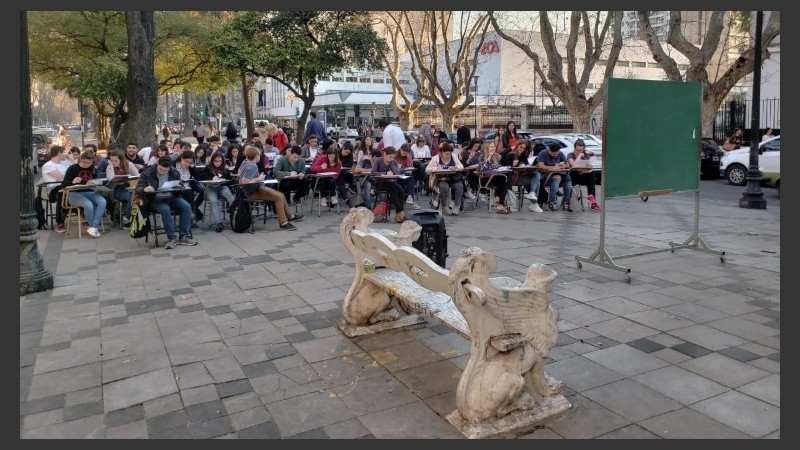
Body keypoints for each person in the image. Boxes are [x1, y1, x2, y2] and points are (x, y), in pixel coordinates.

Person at [238, 144, 304, 231]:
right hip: (252, 192)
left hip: (254, 189)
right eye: (259, 154)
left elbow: (239, 173)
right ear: (256, 156)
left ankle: (289, 216)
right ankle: (283, 223)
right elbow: (244, 181)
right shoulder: (252, 166)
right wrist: (259, 178)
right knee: (279, 197)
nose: (260, 156)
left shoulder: (245, 162)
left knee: (281, 195)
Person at [136, 156, 197, 248]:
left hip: (171, 196)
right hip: (155, 199)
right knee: (165, 209)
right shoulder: (147, 173)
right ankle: (172, 238)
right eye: (161, 169)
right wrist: (145, 189)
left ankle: (184, 236)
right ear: (157, 164)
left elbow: (179, 186)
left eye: (166, 170)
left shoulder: (174, 172)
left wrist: (180, 187)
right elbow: (138, 188)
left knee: (186, 206)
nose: (162, 172)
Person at [60, 151, 107, 238]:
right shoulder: (72, 168)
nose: (86, 165)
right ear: (81, 159)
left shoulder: (93, 169)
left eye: (89, 163)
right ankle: (94, 227)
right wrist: (72, 182)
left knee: (102, 201)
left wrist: (94, 183)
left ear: (92, 161)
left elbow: (96, 181)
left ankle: (93, 227)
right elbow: (63, 184)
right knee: (88, 204)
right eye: (84, 162)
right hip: (74, 193)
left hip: (90, 192)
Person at [200, 153, 235, 232]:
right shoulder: (208, 168)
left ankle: (235, 216)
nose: (218, 163)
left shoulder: (224, 168)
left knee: (229, 195)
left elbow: (230, 180)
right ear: (212, 161)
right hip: (211, 187)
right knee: (214, 201)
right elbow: (203, 178)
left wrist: (226, 175)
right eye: (216, 161)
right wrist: (212, 178)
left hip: (222, 186)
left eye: (220, 161)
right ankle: (219, 222)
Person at [426, 142, 465, 215]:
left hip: (453, 178)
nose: (449, 156)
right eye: (447, 154)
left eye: (450, 154)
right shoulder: (435, 158)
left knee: (459, 186)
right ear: (441, 152)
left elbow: (461, 166)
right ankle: (444, 207)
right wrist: (436, 168)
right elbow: (427, 170)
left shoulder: (454, 157)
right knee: (444, 187)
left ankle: (457, 206)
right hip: (441, 178)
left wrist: (456, 167)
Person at [370, 146, 406, 223]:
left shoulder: (393, 162)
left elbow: (397, 173)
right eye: (390, 157)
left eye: (393, 157)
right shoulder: (378, 161)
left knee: (401, 190)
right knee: (393, 187)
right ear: (384, 154)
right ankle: (400, 212)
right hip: (381, 183)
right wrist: (385, 173)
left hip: (391, 182)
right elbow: (373, 172)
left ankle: (399, 213)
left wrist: (392, 165)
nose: (391, 159)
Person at [106, 148, 140, 226]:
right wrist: (111, 166)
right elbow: (110, 178)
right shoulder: (110, 167)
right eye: (111, 161)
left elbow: (137, 176)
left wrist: (130, 177)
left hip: (130, 186)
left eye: (115, 161)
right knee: (130, 197)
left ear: (121, 160)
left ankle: (130, 217)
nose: (113, 163)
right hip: (117, 188)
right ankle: (127, 218)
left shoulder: (129, 164)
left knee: (136, 196)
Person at [40, 146, 70, 233]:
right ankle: (59, 222)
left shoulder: (64, 163)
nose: (65, 154)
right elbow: (62, 177)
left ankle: (82, 214)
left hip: (66, 186)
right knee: (62, 194)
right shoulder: (48, 165)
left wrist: (71, 160)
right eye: (64, 153)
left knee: (74, 192)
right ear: (59, 153)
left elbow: (73, 172)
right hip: (54, 189)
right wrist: (68, 176)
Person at [534, 143, 573, 211]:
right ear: (549, 151)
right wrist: (552, 167)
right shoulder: (543, 153)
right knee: (556, 179)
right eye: (554, 154)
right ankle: (552, 201)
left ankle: (566, 201)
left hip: (559, 173)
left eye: (556, 153)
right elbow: (540, 165)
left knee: (568, 178)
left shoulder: (560, 153)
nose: (555, 155)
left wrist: (563, 166)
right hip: (546, 175)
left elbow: (567, 164)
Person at [477, 141, 512, 214]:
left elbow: (497, 167)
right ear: (487, 148)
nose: (493, 148)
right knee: (503, 180)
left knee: (505, 180)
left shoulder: (496, 156)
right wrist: (489, 157)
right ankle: (499, 201)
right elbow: (484, 168)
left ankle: (499, 201)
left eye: (494, 146)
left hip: (495, 177)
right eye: (491, 147)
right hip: (485, 178)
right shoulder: (481, 157)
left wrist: (502, 168)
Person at [566, 139, 599, 211]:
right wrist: (579, 156)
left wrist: (588, 167)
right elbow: (574, 165)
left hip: (582, 176)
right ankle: (591, 198)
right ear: (574, 148)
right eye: (578, 150)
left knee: (591, 175)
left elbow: (589, 166)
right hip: (573, 177)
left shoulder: (585, 156)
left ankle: (592, 198)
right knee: (574, 172)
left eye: (581, 150)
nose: (579, 152)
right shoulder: (570, 155)